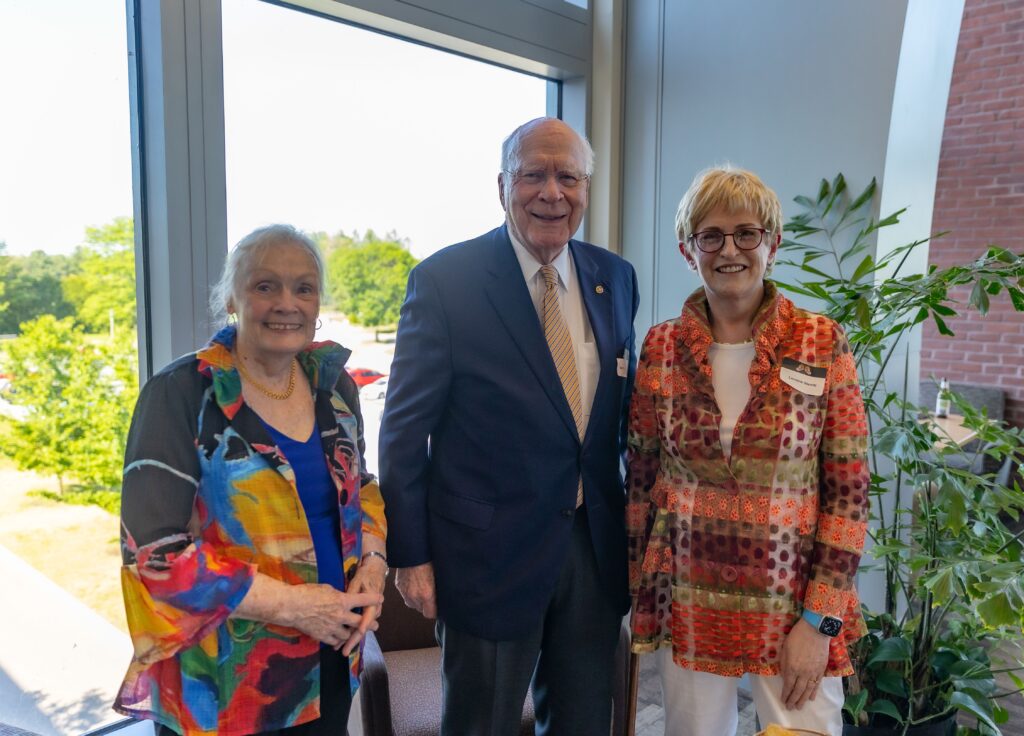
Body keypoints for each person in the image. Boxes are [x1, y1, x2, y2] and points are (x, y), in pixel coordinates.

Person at [378, 117, 638, 735]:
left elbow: (618, 416)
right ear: (502, 186)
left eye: (568, 177)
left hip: (592, 551)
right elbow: (404, 433)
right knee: (481, 725)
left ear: (586, 188)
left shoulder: (616, 277)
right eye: (533, 175)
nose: (552, 192)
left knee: (582, 724)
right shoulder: (445, 281)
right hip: (485, 559)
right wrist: (411, 557)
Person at [114, 224, 388, 736]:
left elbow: (363, 489)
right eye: (265, 286)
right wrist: (297, 607)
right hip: (225, 686)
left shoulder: (334, 385)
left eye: (303, 288)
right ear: (231, 300)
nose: (287, 303)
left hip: (331, 658)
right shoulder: (181, 394)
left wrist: (374, 564)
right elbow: (153, 554)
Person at [626, 167, 869, 736]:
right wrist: (639, 590)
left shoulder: (820, 341)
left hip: (792, 602)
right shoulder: (661, 347)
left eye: (746, 233)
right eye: (710, 235)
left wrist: (821, 621)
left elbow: (849, 494)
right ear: (688, 251)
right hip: (689, 597)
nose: (729, 249)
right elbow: (641, 480)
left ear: (772, 244)